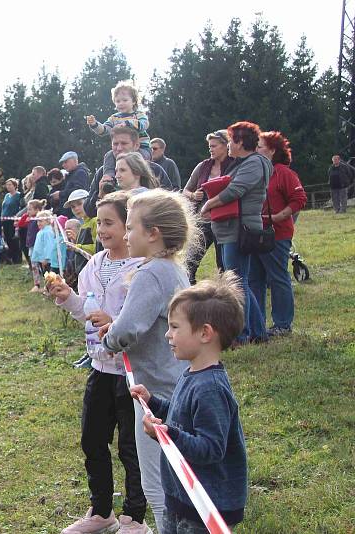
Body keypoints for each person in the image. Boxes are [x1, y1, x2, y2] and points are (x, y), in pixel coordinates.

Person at [97, 189, 195, 532]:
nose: (126, 235)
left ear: (152, 233)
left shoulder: (150, 273)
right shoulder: (172, 269)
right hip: (176, 383)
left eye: (132, 228)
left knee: (156, 481)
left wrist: (109, 337)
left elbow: (128, 330)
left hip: (154, 392)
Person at [51, 191, 148, 534]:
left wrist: (115, 320)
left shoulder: (142, 268)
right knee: (93, 439)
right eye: (99, 223)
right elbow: (88, 314)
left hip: (130, 372)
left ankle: (134, 517)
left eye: (109, 223)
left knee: (131, 447)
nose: (102, 230)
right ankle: (101, 511)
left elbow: (142, 320)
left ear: (129, 226)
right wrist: (69, 299)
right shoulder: (94, 264)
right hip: (100, 368)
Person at [130, 272, 248, 533]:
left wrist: (167, 435)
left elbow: (210, 448)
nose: (167, 335)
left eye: (174, 327)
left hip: (206, 507)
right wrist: (154, 404)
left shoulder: (211, 389)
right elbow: (181, 415)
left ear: (205, 333)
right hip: (181, 498)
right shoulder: (193, 372)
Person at [200, 121, 273, 344]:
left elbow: (236, 189)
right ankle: (257, 333)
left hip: (239, 230)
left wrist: (208, 204)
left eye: (231, 140)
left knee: (236, 283)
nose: (229, 145)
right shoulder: (243, 163)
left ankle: (240, 335)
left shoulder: (253, 163)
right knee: (239, 281)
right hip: (228, 229)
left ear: (240, 142)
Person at [251, 131, 307, 337]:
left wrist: (280, 216)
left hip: (277, 234)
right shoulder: (255, 170)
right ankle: (257, 324)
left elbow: (299, 198)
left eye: (260, 147)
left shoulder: (282, 172)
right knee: (254, 279)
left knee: (277, 277)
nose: (255, 150)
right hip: (254, 233)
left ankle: (283, 324)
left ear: (272, 151)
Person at [87, 126, 174, 217]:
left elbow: (169, 205)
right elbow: (89, 212)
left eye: (124, 143)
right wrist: (100, 195)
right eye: (115, 144)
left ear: (136, 145)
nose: (119, 148)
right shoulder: (102, 172)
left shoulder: (155, 170)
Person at [183, 130, 233, 285]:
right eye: (209, 146)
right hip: (202, 220)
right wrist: (193, 196)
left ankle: (226, 295)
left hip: (226, 221)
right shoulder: (203, 166)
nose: (210, 149)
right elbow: (185, 190)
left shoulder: (235, 165)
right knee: (191, 259)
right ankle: (188, 288)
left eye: (214, 146)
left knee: (223, 263)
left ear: (226, 146)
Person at [87, 80, 152, 182]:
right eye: (118, 101)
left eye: (125, 100)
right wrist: (94, 124)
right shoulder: (114, 118)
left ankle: (140, 178)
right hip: (121, 150)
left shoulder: (138, 115)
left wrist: (128, 123)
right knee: (109, 155)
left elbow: (144, 125)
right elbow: (104, 130)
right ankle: (109, 177)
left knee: (137, 158)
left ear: (133, 101)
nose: (121, 103)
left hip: (142, 148)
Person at [63, 189, 97, 273]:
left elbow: (98, 249)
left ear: (89, 202)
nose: (76, 208)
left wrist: (77, 247)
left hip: (93, 271)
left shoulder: (95, 221)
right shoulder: (83, 224)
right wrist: (75, 242)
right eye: (73, 206)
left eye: (79, 204)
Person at [55, 152, 91, 217]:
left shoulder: (80, 173)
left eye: (66, 162)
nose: (63, 165)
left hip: (76, 215)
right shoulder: (73, 174)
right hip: (72, 213)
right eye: (63, 163)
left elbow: (79, 191)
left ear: (75, 160)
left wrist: (60, 194)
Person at [31, 210, 66, 275]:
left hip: (47, 260)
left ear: (48, 221)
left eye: (41, 221)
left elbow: (49, 245)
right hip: (41, 258)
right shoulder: (41, 231)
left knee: (49, 276)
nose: (38, 223)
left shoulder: (47, 232)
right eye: (37, 221)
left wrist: (46, 259)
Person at [24, 199, 45, 291]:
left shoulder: (40, 220)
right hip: (32, 246)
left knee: (43, 265)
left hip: (40, 247)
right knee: (34, 266)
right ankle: (36, 284)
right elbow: (21, 223)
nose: (28, 211)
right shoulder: (30, 219)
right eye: (27, 209)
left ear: (37, 210)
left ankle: (47, 283)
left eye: (30, 209)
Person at [1, 179, 23, 263]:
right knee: (7, 238)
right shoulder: (7, 195)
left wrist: (17, 216)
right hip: (5, 220)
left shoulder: (18, 195)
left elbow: (20, 206)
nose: (8, 186)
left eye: (10, 185)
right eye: (7, 185)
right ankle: (11, 257)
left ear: (14, 185)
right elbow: (3, 207)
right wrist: (2, 216)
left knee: (14, 239)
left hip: (13, 220)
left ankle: (17, 258)